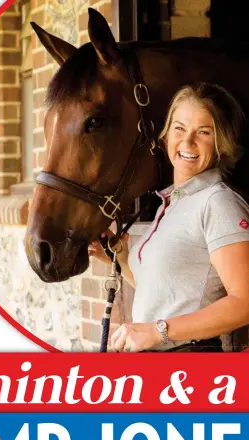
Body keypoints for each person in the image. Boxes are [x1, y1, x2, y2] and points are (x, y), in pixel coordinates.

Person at [88, 82, 249, 352]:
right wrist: (120, 259)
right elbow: (170, 295)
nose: (188, 142)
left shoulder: (218, 202)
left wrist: (157, 331)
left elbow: (244, 302)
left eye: (204, 132)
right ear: (166, 136)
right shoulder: (172, 203)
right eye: (180, 128)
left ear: (221, 142)